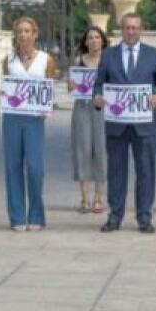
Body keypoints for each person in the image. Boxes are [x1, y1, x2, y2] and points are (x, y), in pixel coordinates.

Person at [92, 13, 156, 234]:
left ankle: (144, 217)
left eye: (135, 28)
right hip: (116, 124)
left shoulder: (153, 54)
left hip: (144, 125)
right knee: (116, 172)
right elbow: (98, 85)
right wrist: (97, 98)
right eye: (127, 28)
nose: (131, 31)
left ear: (141, 29)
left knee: (146, 171)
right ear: (121, 30)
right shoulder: (108, 55)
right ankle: (115, 216)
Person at [2, 16, 56, 231]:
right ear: (16, 34)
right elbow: (6, 84)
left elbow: (49, 88)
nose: (23, 35)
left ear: (34, 34)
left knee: (35, 168)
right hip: (12, 117)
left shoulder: (46, 59)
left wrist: (46, 105)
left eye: (27, 31)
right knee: (12, 166)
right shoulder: (9, 60)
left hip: (35, 119)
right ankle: (16, 216)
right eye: (20, 31)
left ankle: (36, 213)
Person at [69, 25, 108, 214]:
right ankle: (84, 198)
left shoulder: (109, 61)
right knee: (82, 149)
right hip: (82, 108)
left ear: (103, 40)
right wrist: (70, 85)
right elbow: (71, 86)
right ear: (85, 42)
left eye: (97, 37)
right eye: (90, 38)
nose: (93, 41)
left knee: (100, 151)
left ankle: (99, 198)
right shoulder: (79, 61)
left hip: (102, 110)